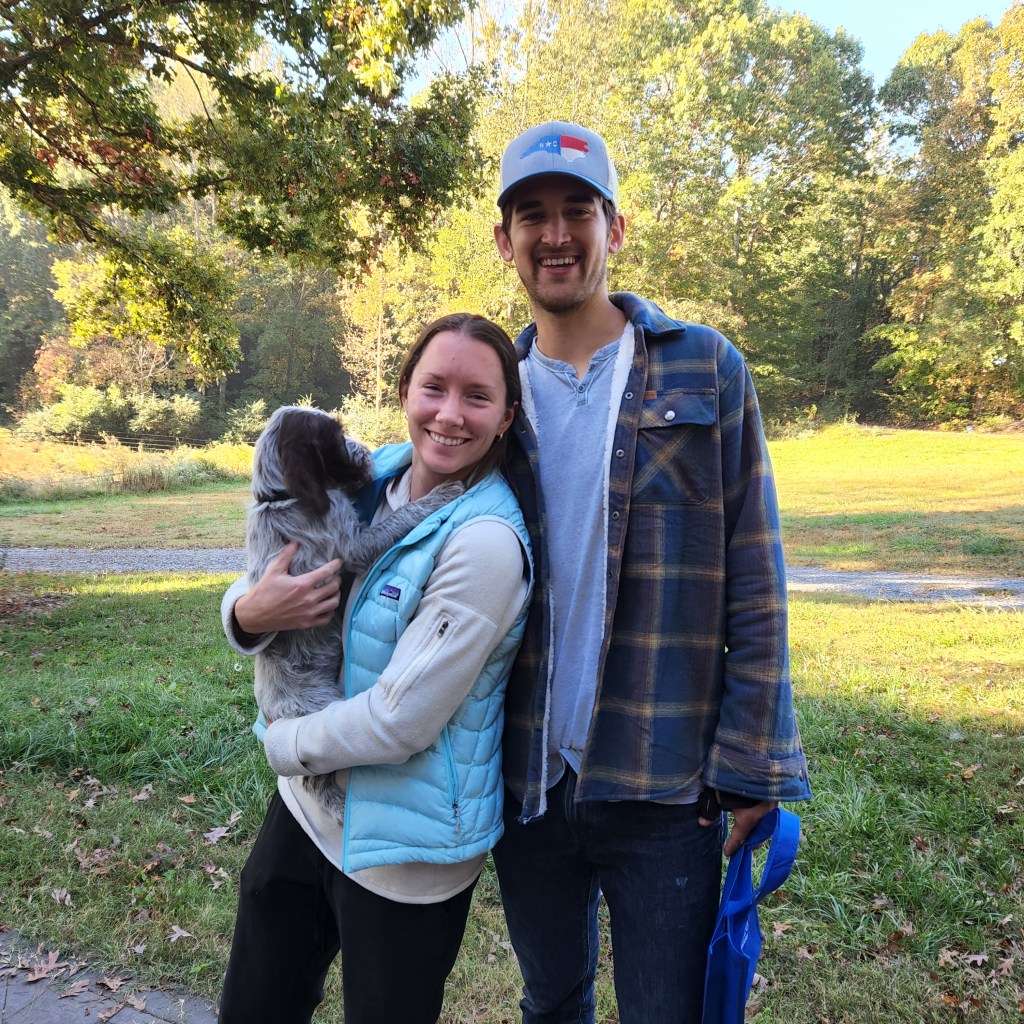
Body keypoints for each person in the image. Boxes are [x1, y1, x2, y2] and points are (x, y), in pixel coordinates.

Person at [490, 120, 811, 1024]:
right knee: (551, 1003)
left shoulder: (705, 366)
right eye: (533, 215)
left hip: (665, 782)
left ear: (616, 228)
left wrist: (752, 762)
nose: (557, 234)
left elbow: (756, 575)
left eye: (578, 210)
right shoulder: (489, 390)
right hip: (525, 777)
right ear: (506, 240)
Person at [218, 313, 533, 1024]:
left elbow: (400, 721)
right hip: (306, 816)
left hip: (404, 852)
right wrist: (249, 614)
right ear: (404, 392)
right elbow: (268, 567)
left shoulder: (485, 541)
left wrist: (281, 745)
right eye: (434, 388)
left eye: (478, 397)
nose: (450, 415)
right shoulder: (374, 473)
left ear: (506, 417)